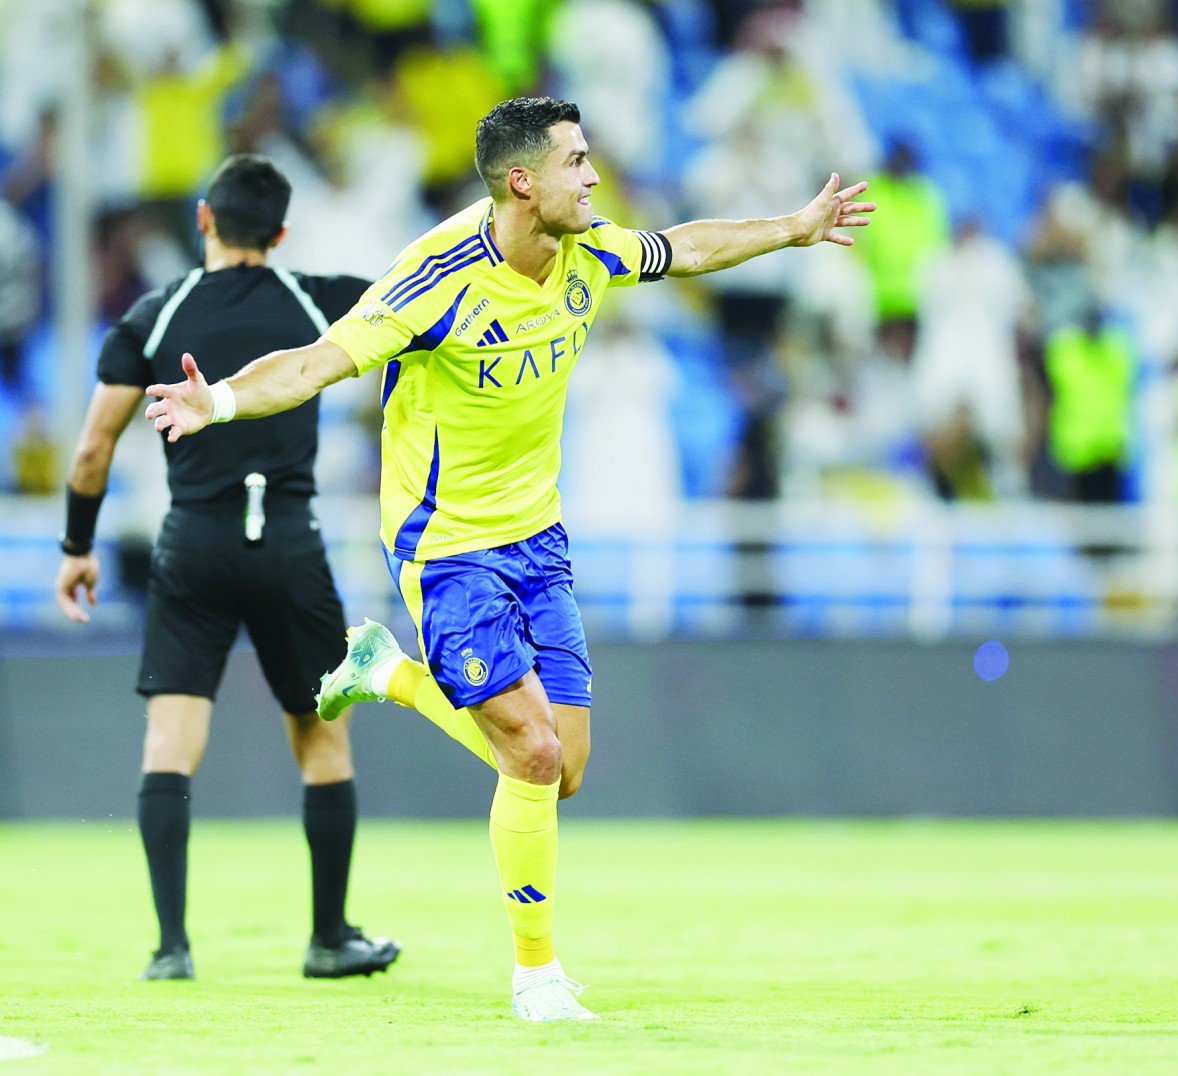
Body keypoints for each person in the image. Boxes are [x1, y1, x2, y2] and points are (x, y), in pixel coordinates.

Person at [144, 98, 874, 1018]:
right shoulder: (435, 279)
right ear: (523, 182)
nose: (594, 177)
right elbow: (317, 363)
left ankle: (390, 674)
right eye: (576, 162)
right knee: (529, 751)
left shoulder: (590, 248)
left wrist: (794, 229)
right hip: (446, 545)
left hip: (538, 538)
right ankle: (537, 975)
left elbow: (685, 247)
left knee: (563, 769)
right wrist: (218, 404)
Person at [55, 154, 400, 983]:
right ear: (282, 232)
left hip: (194, 543)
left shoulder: (153, 315)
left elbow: (94, 447)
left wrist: (76, 548)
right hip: (288, 539)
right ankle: (329, 938)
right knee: (322, 737)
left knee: (170, 741)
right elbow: (422, 321)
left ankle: (171, 947)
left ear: (204, 218)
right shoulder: (322, 299)